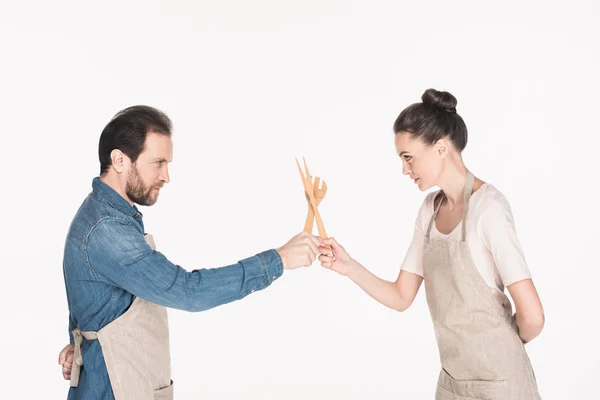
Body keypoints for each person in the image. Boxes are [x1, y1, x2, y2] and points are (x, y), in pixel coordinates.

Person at [58, 105, 321, 400]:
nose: (167, 176)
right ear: (119, 160)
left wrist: (78, 339)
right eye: (157, 162)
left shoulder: (104, 214)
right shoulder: (107, 230)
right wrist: (278, 259)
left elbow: (91, 291)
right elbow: (187, 291)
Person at [318, 89, 544, 399]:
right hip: (452, 383)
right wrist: (349, 267)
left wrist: (496, 345)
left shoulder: (487, 209)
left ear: (440, 149)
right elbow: (401, 296)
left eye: (408, 157)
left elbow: (533, 317)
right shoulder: (429, 210)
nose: (404, 168)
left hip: (502, 384)